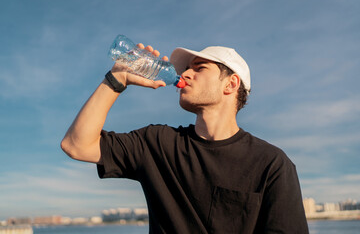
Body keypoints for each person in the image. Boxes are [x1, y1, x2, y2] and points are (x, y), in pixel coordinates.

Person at [61, 42, 309, 233]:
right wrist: (116, 79)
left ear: (231, 84)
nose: (186, 74)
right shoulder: (156, 143)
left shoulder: (271, 164)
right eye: (187, 68)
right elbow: (76, 145)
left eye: (199, 68)